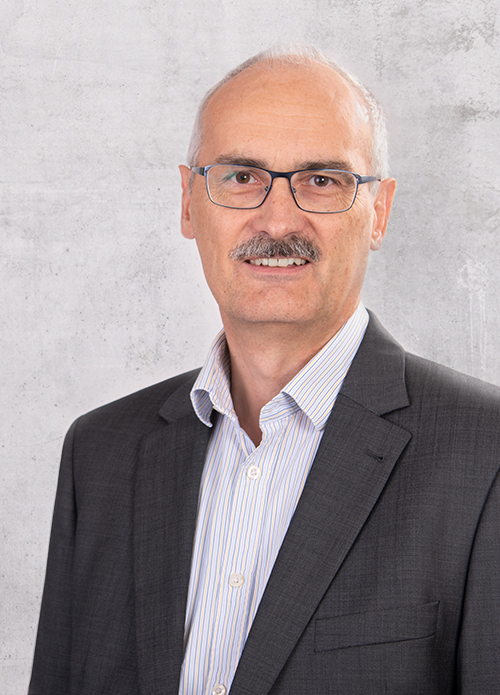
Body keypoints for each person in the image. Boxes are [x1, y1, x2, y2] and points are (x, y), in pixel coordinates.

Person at [29, 46, 500, 695]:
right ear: (189, 202)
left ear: (379, 212)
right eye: (242, 176)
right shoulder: (100, 453)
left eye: (322, 180)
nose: (278, 220)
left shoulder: (484, 454)